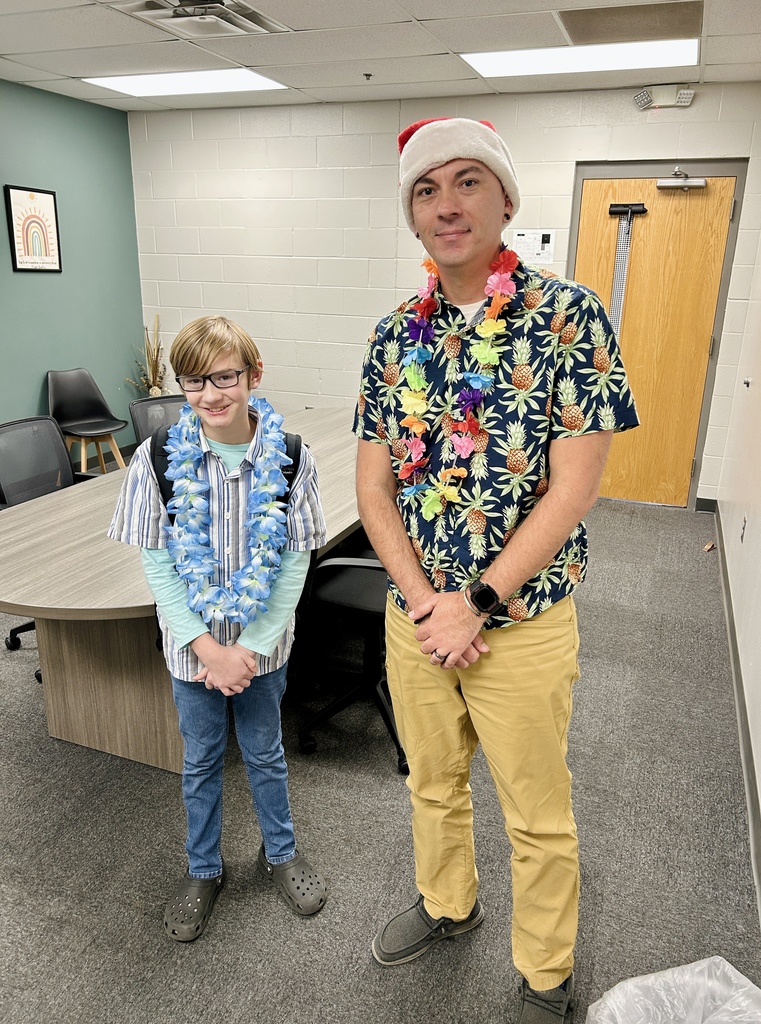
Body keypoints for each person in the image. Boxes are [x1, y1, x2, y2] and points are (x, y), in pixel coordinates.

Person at [354, 117, 639, 1022]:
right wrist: (425, 604)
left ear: (506, 198)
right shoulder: (393, 335)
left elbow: (573, 488)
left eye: (467, 182)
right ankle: (448, 905)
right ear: (412, 215)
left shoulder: (570, 317)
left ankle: (546, 968)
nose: (447, 206)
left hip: (520, 622)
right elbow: (374, 490)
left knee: (535, 811)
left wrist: (475, 604)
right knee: (431, 785)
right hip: (417, 618)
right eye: (427, 191)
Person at [109, 315, 327, 942]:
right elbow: (158, 563)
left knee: (265, 753)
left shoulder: (290, 457)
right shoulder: (156, 459)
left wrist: (249, 651)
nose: (210, 394)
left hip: (262, 653)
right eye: (194, 381)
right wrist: (208, 646)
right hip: (193, 655)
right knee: (201, 760)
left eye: (224, 377)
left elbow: (292, 564)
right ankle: (204, 868)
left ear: (253, 376)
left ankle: (279, 853)